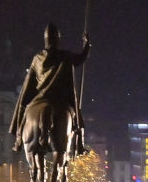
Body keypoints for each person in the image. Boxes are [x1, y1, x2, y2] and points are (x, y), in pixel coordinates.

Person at [10, 23, 91, 160]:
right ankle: (80, 145)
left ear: (45, 39)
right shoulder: (65, 56)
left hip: (40, 97)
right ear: (58, 39)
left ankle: (18, 139)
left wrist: (25, 99)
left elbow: (29, 82)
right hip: (60, 98)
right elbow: (81, 59)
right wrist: (87, 45)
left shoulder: (37, 58)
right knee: (77, 116)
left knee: (24, 110)